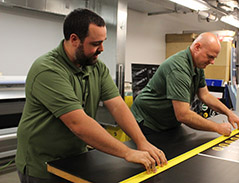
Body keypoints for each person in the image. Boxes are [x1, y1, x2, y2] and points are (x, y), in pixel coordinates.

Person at [15, 8, 167, 182]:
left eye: (103, 42)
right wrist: (128, 152)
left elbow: (117, 105)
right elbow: (78, 123)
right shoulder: (48, 69)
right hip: (42, 164)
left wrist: (141, 142)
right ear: (74, 40)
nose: (101, 49)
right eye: (95, 43)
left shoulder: (96, 66)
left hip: (76, 158)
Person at [131, 32, 239, 135]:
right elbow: (183, 114)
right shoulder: (178, 68)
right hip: (148, 121)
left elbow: (205, 95)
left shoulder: (197, 67)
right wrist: (218, 128)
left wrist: (229, 113)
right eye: (210, 56)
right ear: (197, 47)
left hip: (168, 121)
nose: (212, 62)